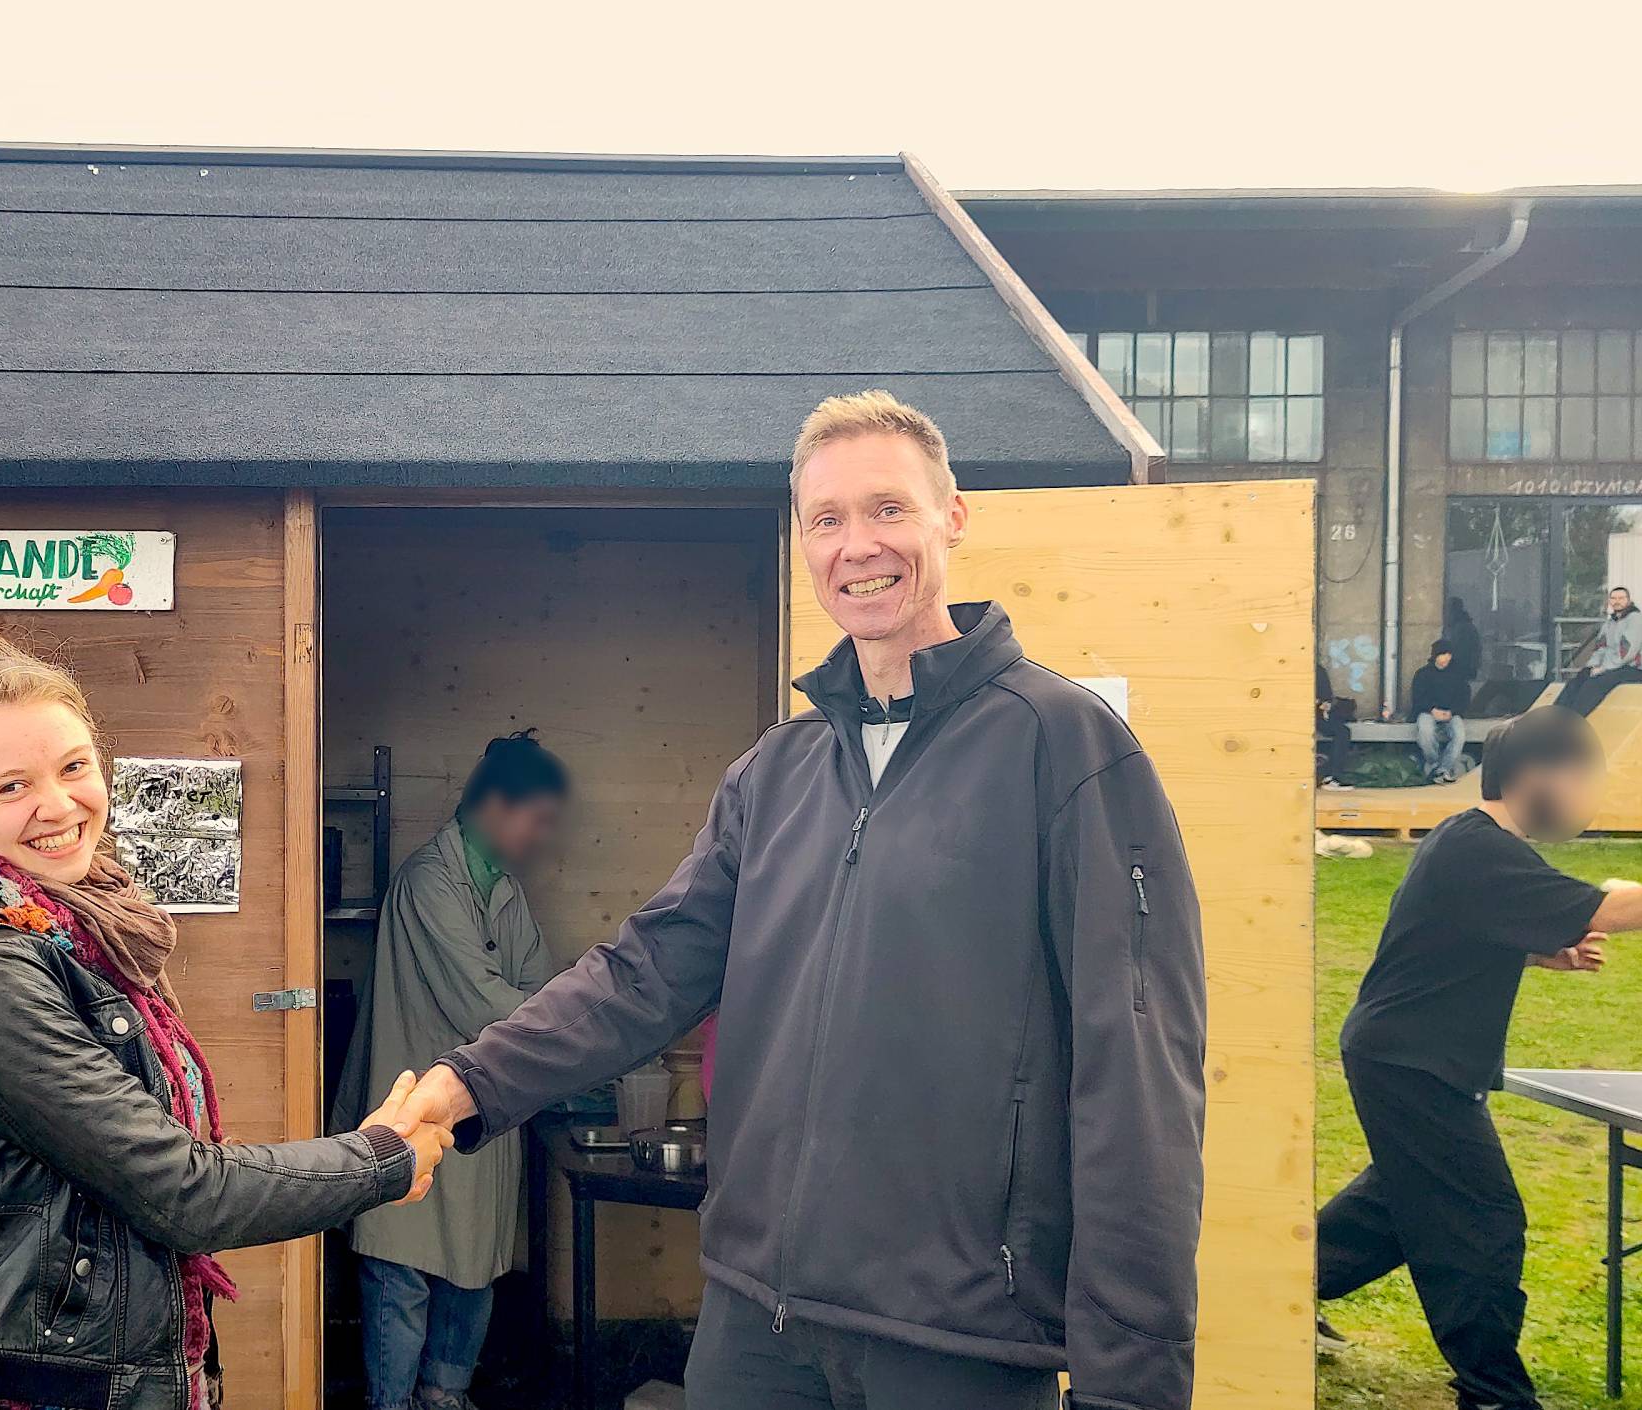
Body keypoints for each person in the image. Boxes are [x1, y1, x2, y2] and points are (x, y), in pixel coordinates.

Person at [393, 390, 1207, 1410]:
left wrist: (1129, 1386)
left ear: (952, 516)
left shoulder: (1064, 749)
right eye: (825, 519)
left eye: (888, 510)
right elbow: (642, 974)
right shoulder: (774, 773)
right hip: (755, 1326)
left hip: (954, 1338)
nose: (857, 546)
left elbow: (1138, 1082)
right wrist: (467, 1083)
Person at [0, 627, 450, 1410]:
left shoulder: (80, 936)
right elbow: (182, 1190)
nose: (58, 804)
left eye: (74, 767)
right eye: (11, 786)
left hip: (121, 1375)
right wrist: (381, 1159)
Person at [1318, 706, 1642, 1410]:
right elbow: (1607, 908)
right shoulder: (1481, 846)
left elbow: (1451, 928)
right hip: (1413, 1061)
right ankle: (1493, 1392)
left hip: (1405, 1055)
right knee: (1482, 1222)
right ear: (1537, 777)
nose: (1588, 796)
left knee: (1394, 1206)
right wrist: (1589, 916)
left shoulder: (1469, 843)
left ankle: (1273, 1290)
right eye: (1582, 777)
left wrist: (1538, 949)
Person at [332, 731, 570, 1410]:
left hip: (480, 1109)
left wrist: (542, 1016)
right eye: (538, 819)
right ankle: (393, 1402)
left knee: (473, 1271)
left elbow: (538, 989)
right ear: (496, 806)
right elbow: (488, 1001)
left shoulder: (504, 890)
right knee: (401, 1271)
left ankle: (444, 1396)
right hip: (411, 1102)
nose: (543, 835)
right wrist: (563, 1030)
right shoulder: (427, 882)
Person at [1557, 586, 1642, 716]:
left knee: (1594, 685)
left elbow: (1627, 652)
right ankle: (1555, 715)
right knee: (1578, 679)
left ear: (1628, 600)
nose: (1617, 601)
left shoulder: (1636, 620)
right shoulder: (1610, 623)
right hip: (1612, 667)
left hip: (1633, 669)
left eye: (1621, 598)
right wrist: (1592, 665)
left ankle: (1575, 718)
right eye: (1613, 598)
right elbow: (1601, 647)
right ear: (1609, 601)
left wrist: (1604, 668)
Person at [1411, 640, 1474, 784]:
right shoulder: (1423, 674)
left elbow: (1464, 698)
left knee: (1459, 735)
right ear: (1435, 656)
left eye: (1448, 654)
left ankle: (1443, 769)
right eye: (1443, 654)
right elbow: (1417, 698)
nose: (1446, 658)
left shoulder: (1458, 675)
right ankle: (1434, 764)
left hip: (1451, 713)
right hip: (1428, 712)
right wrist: (1432, 710)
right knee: (1425, 732)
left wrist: (1452, 712)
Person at [1318, 662, 1357, 788]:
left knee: (1342, 731)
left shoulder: (1318, 670)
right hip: (1290, 716)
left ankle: (1332, 776)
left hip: (1316, 714)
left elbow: (1326, 697)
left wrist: (1323, 704)